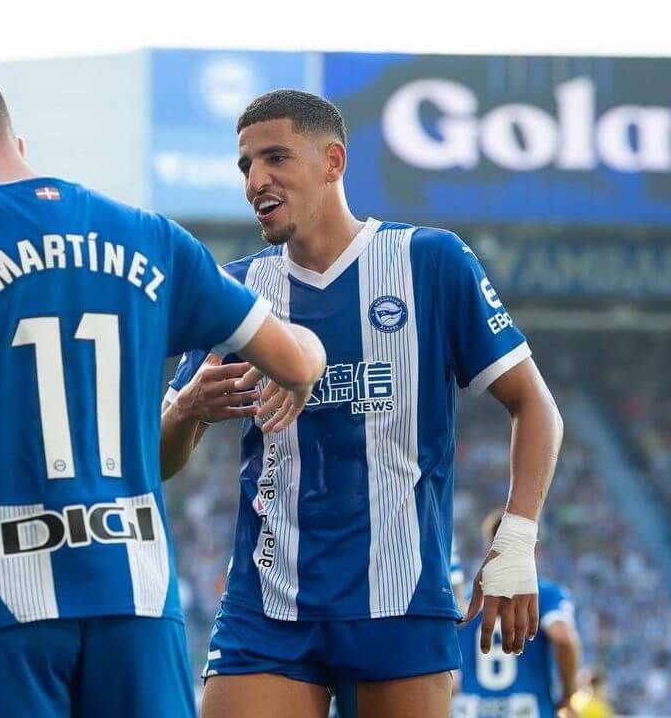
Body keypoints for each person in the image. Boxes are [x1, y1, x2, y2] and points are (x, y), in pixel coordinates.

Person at [0, 71, 326, 718]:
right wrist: (299, 371)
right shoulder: (153, 237)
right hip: (137, 601)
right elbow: (297, 356)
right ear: (14, 140)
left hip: (2, 603)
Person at [160, 89, 564, 718]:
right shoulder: (235, 289)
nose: (255, 181)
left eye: (274, 158)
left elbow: (534, 404)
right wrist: (187, 409)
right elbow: (157, 459)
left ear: (333, 161)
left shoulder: (429, 261)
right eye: (245, 166)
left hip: (400, 601)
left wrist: (515, 542)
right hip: (268, 606)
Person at [455, 510, 581, 718]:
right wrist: (568, 693)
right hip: (527, 709)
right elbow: (564, 638)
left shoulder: (465, 599)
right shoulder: (546, 594)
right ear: (533, 548)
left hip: (470, 710)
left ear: (488, 548)